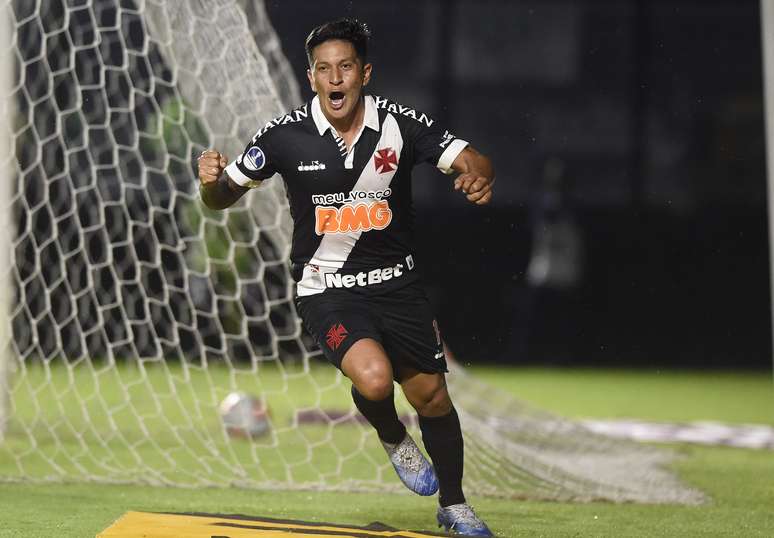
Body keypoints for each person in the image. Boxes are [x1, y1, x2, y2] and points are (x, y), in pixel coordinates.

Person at [198, 18, 495, 537]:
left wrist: (477, 176)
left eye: (346, 67)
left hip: (399, 287)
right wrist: (209, 181)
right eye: (323, 69)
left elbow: (473, 159)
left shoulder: (400, 124)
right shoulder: (283, 136)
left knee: (432, 398)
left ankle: (454, 505)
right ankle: (392, 436)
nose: (335, 78)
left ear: (364, 73)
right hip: (327, 290)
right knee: (376, 379)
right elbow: (223, 195)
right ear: (311, 78)